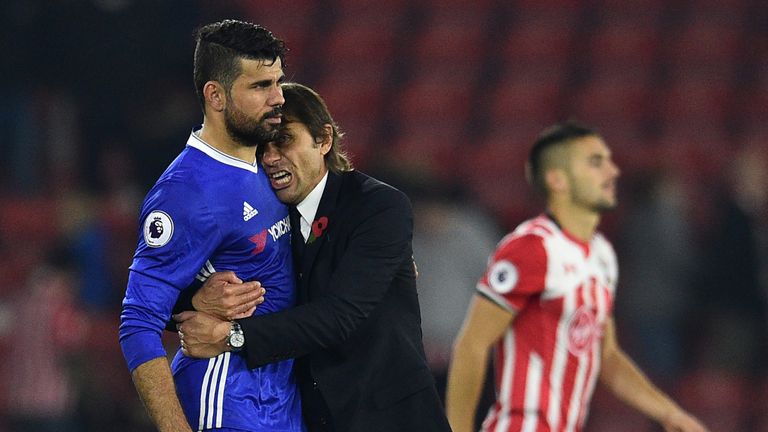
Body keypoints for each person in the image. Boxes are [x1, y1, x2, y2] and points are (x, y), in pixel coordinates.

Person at [173, 82, 452, 432]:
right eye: (263, 146)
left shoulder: (377, 206)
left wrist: (232, 335)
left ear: (323, 140)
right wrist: (199, 299)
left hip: (392, 419)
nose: (270, 157)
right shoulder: (266, 218)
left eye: (284, 139)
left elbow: (339, 315)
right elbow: (161, 291)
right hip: (316, 420)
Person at [444, 121, 709, 432]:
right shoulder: (532, 247)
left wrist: (669, 413)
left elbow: (606, 356)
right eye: (596, 163)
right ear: (558, 179)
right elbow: (472, 345)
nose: (612, 172)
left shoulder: (601, 255)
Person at [118, 20, 304, 432]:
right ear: (215, 95)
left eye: (278, 82)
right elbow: (137, 322)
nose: (278, 98)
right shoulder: (187, 193)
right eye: (260, 87)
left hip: (281, 398)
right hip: (226, 400)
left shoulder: (273, 158)